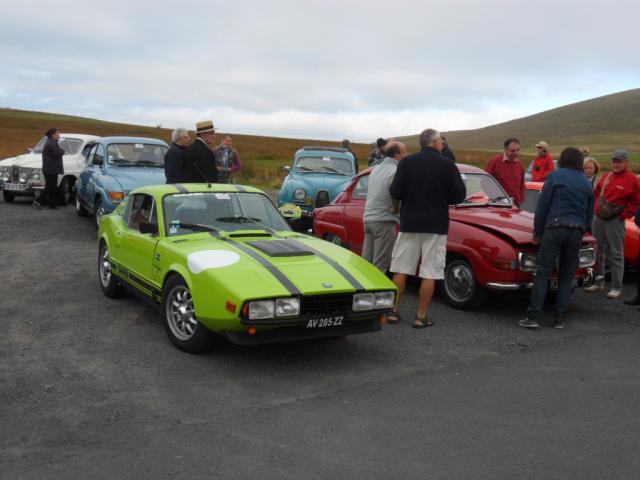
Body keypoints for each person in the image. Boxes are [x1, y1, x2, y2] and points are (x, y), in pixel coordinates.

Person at [387, 129, 466, 328]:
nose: (442, 144)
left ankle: (394, 312)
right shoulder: (448, 165)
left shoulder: (406, 163)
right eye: (441, 141)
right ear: (435, 143)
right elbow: (458, 197)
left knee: (400, 268)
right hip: (436, 224)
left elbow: (395, 191)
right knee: (430, 271)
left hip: (410, 222)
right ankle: (421, 316)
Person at [519, 147, 594, 330]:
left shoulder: (555, 176)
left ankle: (534, 316)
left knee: (543, 272)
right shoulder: (586, 183)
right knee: (567, 275)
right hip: (576, 231)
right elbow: (589, 214)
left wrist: (537, 232)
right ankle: (559, 319)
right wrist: (584, 231)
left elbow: (542, 207)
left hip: (555, 227)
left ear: (563, 159)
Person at [584, 150, 640, 299]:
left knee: (616, 254)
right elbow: (595, 194)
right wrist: (596, 209)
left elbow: (636, 202)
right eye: (614, 161)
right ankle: (598, 282)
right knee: (598, 252)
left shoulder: (632, 180)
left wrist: (623, 216)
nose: (616, 164)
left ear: (626, 163)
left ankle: (616, 287)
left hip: (615, 221)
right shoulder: (606, 176)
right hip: (598, 218)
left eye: (619, 161)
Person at [362, 141, 406, 273]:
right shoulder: (395, 170)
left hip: (368, 220)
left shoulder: (375, 170)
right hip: (384, 221)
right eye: (405, 153)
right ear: (397, 155)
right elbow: (395, 193)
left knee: (366, 263)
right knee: (379, 266)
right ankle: (377, 292)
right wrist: (396, 209)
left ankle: (363, 290)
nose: (406, 156)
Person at [485, 138, 525, 207]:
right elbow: (485, 181)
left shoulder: (520, 164)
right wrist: (496, 199)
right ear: (505, 150)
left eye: (518, 150)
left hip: (515, 204)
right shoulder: (495, 162)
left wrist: (521, 199)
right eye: (512, 151)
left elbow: (522, 184)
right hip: (498, 204)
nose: (516, 153)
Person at [41, 128, 65, 209]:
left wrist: (60, 149)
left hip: (50, 169)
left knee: (51, 187)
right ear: (53, 135)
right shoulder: (51, 143)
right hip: (51, 170)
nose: (59, 135)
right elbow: (56, 153)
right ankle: (38, 201)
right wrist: (62, 150)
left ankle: (52, 204)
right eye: (58, 134)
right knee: (50, 187)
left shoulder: (51, 142)